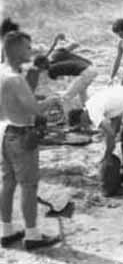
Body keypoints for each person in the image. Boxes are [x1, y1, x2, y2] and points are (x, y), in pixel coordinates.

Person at [0, 30, 62, 249]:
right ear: (16, 50)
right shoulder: (16, 79)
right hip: (21, 136)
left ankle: (5, 231)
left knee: (7, 183)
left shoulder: (2, 72)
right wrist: (52, 101)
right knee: (28, 186)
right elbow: (35, 110)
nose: (31, 50)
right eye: (28, 47)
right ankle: (32, 236)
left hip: (6, 133)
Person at [29, 35, 98, 113]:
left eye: (40, 69)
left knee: (65, 98)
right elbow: (75, 44)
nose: (40, 71)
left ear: (42, 66)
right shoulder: (57, 53)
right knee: (82, 94)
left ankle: (70, 119)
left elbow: (59, 85)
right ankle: (89, 114)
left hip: (85, 73)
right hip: (92, 67)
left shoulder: (51, 70)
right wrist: (64, 39)